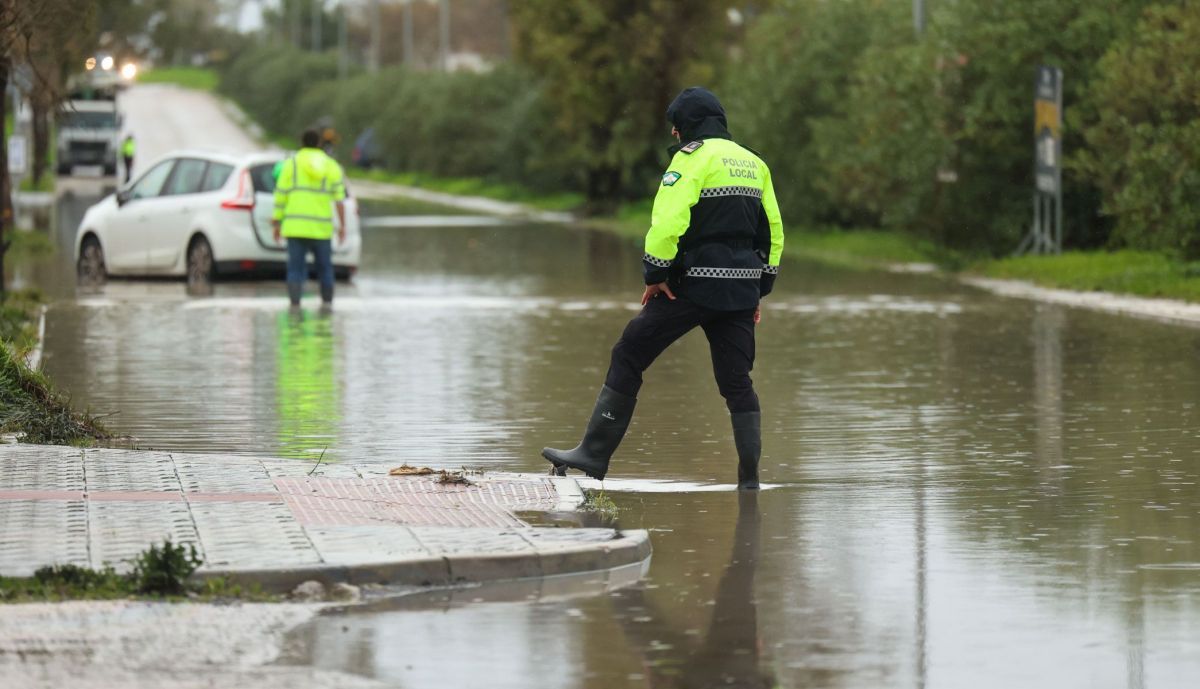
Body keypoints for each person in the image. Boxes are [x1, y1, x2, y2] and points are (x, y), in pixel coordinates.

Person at [542, 87, 784, 490]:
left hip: (691, 287)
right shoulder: (754, 163)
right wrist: (760, 287)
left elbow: (668, 221)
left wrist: (655, 275)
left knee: (629, 352)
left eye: (676, 126)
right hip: (741, 291)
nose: (674, 134)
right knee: (737, 382)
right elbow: (772, 229)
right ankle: (749, 481)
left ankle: (593, 454)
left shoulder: (691, 160)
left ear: (686, 126)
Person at [272, 129, 347, 307]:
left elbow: (280, 195)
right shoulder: (331, 166)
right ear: (319, 143)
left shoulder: (291, 165)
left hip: (295, 227)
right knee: (325, 269)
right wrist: (342, 226)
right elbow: (339, 199)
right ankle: (327, 305)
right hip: (321, 229)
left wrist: (277, 223)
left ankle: (295, 306)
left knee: (295, 270)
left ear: (301, 143)